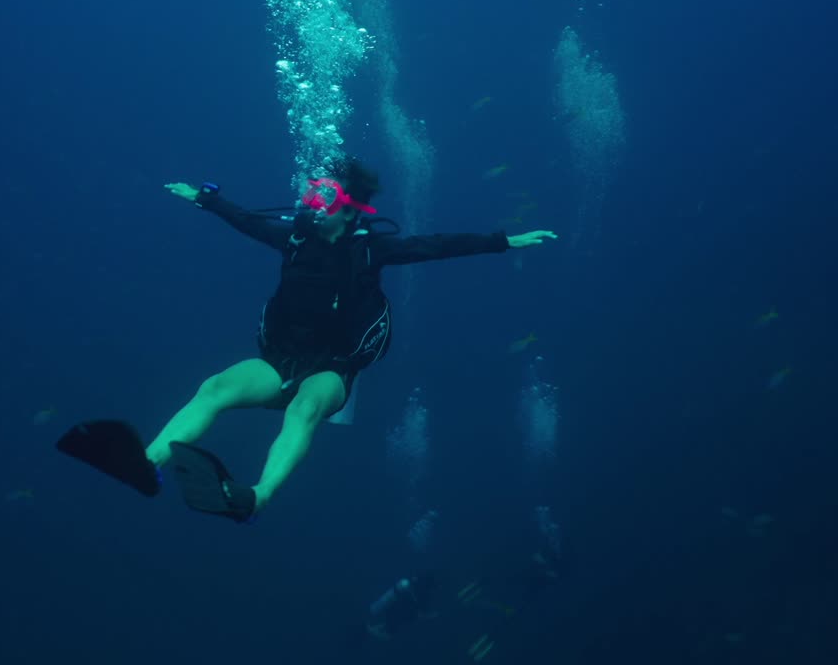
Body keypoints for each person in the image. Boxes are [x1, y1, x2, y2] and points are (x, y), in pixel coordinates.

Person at [56, 159, 557, 522]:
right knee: (214, 388)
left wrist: (505, 241)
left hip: (334, 368)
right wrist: (206, 199)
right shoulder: (292, 237)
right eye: (313, 191)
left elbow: (438, 246)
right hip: (281, 358)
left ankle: (257, 495)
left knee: (305, 410)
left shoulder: (371, 249)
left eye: (326, 196)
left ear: (351, 209)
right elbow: (247, 221)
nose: (313, 203)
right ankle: (147, 464)